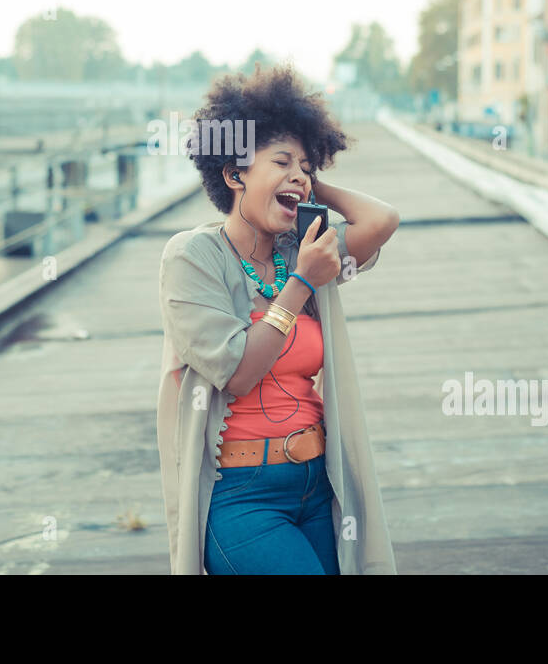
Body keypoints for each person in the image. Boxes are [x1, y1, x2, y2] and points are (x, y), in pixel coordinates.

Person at [156, 63, 400, 574]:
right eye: (282, 161)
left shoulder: (301, 250)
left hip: (317, 481)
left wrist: (309, 189)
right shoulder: (193, 257)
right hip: (241, 495)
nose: (299, 173)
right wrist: (302, 284)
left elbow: (381, 221)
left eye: (307, 165)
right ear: (233, 173)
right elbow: (238, 371)